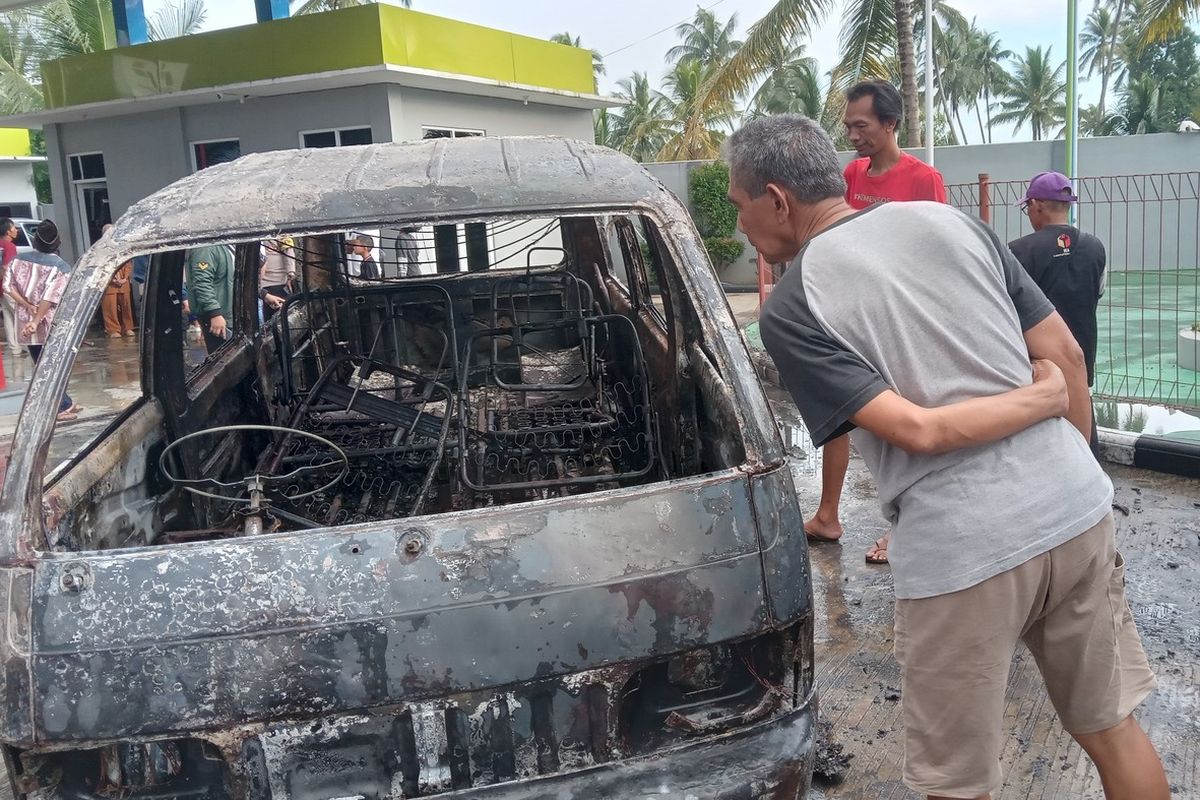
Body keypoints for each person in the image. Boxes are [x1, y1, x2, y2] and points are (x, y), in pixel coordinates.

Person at [731, 114, 1166, 800]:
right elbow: (1067, 359)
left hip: (963, 548)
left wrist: (1039, 403)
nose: (740, 227)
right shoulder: (954, 225)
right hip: (1077, 509)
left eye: (739, 206)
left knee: (958, 783)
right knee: (1112, 730)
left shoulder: (792, 307)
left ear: (778, 199)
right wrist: (1056, 431)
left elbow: (919, 432)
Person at [806, 79, 949, 565]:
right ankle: (828, 515)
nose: (853, 135)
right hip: (855, 311)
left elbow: (938, 248)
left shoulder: (923, 178)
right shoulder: (852, 176)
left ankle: (902, 529)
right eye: (848, 126)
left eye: (861, 125)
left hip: (904, 316)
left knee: (902, 424)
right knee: (840, 411)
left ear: (890, 123)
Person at [1008, 172, 1106, 455]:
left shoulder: (1017, 252)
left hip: (1036, 363)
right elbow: (1098, 292)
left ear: (1037, 205)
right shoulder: (1095, 247)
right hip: (1081, 355)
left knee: (1042, 439)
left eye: (1028, 207)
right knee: (1084, 433)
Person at [4, 220, 78, 421]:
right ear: (56, 243)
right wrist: (36, 319)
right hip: (50, 324)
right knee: (53, 365)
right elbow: (50, 297)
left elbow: (7, 286)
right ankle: (59, 406)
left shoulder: (18, 260)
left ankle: (64, 402)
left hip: (25, 322)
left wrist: (27, 306)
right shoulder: (60, 266)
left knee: (41, 363)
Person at [185, 244, 235, 354]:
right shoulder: (205, 248)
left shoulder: (225, 244)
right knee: (223, 359)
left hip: (229, 314)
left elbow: (233, 278)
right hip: (218, 317)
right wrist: (215, 313)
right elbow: (202, 283)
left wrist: (263, 294)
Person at [99, 224, 135, 338]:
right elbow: (102, 266)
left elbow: (128, 262)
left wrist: (125, 278)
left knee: (126, 306)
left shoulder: (122, 246)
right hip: (109, 283)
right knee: (110, 307)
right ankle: (113, 330)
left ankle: (128, 327)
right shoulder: (101, 248)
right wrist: (113, 279)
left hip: (123, 281)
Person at [259, 237, 296, 320]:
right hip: (264, 286)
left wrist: (290, 274)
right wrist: (291, 273)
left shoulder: (279, 232)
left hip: (276, 283)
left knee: (277, 320)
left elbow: (287, 247)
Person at [0, 218, 22, 356]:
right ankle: (26, 346)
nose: (16, 230)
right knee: (20, 315)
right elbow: (7, 266)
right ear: (8, 231)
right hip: (8, 287)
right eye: (14, 228)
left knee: (8, 317)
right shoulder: (10, 247)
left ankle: (15, 349)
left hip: (1, 288)